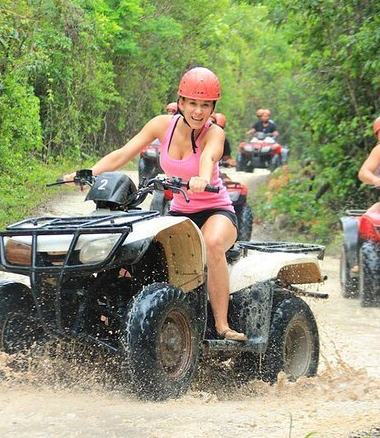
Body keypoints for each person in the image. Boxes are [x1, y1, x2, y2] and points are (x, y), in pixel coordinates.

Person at [63, 67, 246, 341]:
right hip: (179, 213)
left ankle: (222, 325)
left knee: (212, 243)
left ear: (212, 108)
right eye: (192, 103)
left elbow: (208, 159)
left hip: (216, 211)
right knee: (135, 251)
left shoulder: (214, 133)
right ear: (181, 103)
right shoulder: (162, 125)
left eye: (205, 105)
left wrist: (201, 179)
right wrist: (89, 172)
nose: (198, 111)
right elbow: (124, 152)